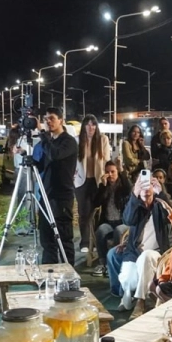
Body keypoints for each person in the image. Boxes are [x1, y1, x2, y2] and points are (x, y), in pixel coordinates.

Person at [106, 176, 172, 314]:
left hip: (156, 252)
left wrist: (161, 193)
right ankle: (128, 295)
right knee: (127, 278)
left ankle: (140, 301)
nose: (145, 189)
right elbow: (127, 220)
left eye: (148, 185)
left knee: (146, 256)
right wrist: (134, 195)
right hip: (135, 252)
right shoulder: (136, 206)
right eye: (141, 186)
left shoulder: (159, 205)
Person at [36, 107, 78, 265]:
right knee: (47, 239)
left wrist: (43, 135)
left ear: (61, 120)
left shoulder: (68, 141)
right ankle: (49, 271)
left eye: (52, 118)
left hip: (61, 197)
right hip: (46, 194)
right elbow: (44, 165)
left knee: (63, 237)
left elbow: (55, 155)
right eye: (46, 119)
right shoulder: (50, 142)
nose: (48, 122)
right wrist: (29, 159)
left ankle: (69, 272)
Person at [75, 115, 111, 253]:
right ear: (84, 126)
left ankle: (94, 241)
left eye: (93, 124)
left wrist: (107, 175)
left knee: (95, 212)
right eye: (88, 124)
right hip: (81, 181)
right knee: (83, 212)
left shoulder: (103, 139)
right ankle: (84, 242)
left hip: (98, 180)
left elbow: (106, 160)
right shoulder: (77, 140)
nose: (91, 127)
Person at [91, 161, 131, 278]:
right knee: (101, 230)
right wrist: (103, 187)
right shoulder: (104, 186)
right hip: (108, 221)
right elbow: (96, 203)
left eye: (113, 172)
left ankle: (115, 262)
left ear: (117, 172)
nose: (110, 174)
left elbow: (129, 189)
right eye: (107, 172)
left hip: (123, 221)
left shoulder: (123, 185)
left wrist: (122, 171)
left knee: (119, 231)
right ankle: (103, 263)